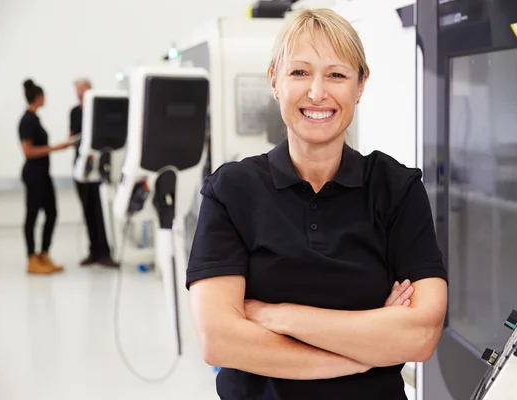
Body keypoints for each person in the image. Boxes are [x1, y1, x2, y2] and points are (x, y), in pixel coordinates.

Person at [186, 8, 448, 400]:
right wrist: (365, 352)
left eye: (337, 75)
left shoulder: (396, 188)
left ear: (360, 86)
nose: (317, 92)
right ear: (274, 81)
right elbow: (220, 340)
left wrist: (277, 315)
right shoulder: (231, 191)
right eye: (300, 72)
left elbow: (421, 334)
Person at [19, 79, 70, 274]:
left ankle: (44, 254)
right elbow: (28, 151)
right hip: (34, 174)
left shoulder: (36, 119)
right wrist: (56, 148)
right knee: (32, 215)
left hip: (43, 173)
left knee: (52, 213)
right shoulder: (26, 121)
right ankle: (31, 258)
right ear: (38, 98)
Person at [70, 78, 119, 268]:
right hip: (81, 167)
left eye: (83, 95)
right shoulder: (75, 112)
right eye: (79, 96)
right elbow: (71, 135)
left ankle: (105, 252)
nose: (81, 99)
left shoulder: (101, 111)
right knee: (88, 210)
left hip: (99, 168)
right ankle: (93, 250)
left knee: (101, 212)